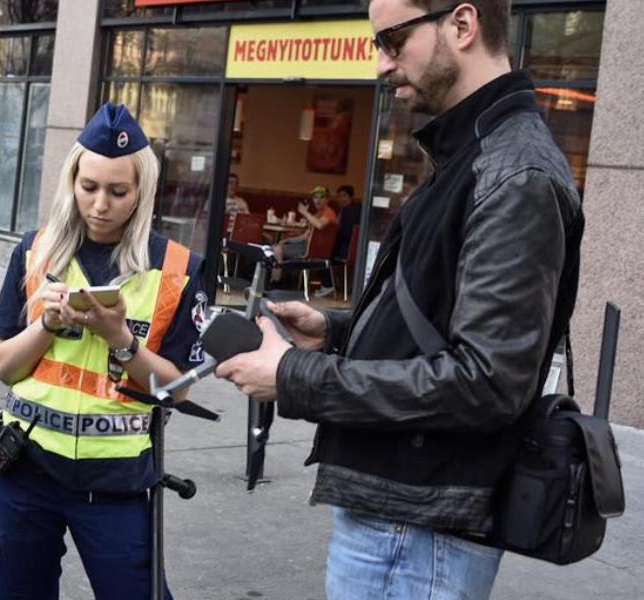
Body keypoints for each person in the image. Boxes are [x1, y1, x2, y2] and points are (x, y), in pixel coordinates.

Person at [216, 1, 583, 599]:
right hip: (405, 513)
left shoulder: (512, 171)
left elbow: (488, 383)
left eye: (393, 39)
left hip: (419, 527)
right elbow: (439, 325)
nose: (381, 63)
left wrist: (295, 375)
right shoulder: (473, 152)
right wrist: (333, 334)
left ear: (461, 25)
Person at [0, 102, 208, 600]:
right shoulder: (35, 250)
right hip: (23, 468)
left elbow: (174, 391)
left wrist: (122, 340)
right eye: (89, 187)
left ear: (142, 192)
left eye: (118, 191)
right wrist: (46, 324)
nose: (100, 204)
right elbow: (5, 367)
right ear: (72, 183)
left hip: (116, 482)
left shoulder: (178, 268)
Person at [270, 186, 336, 284]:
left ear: (327, 199)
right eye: (315, 197)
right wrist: (289, 239)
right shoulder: (318, 214)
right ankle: (282, 280)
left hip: (313, 248)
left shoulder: (329, 212)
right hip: (307, 245)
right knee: (274, 247)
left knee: (277, 249)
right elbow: (305, 236)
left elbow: (320, 225)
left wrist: (305, 212)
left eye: (322, 197)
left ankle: (275, 281)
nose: (318, 200)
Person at [315, 184, 361, 298]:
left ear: (351, 197)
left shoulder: (348, 211)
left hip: (345, 250)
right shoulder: (357, 209)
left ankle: (327, 285)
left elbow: (343, 233)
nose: (340, 199)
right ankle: (333, 285)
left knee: (322, 253)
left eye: (344, 196)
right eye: (338, 196)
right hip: (355, 250)